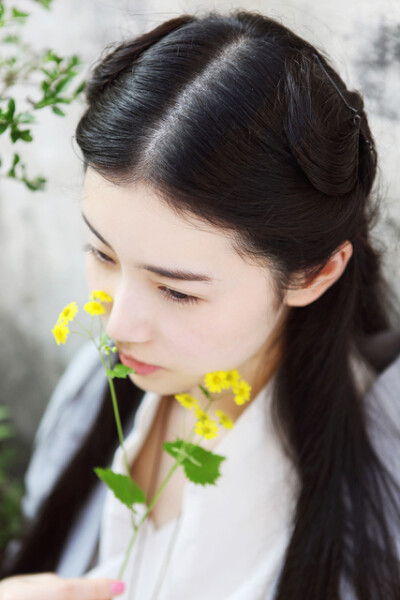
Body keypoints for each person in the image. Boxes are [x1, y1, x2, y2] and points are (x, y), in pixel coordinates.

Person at [2, 9, 400, 600]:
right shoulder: (98, 384)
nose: (117, 325)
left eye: (177, 290)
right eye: (102, 253)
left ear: (315, 272)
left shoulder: (380, 460)